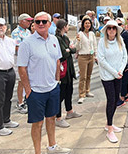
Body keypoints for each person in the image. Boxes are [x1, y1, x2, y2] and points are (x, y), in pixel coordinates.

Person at [17, 11, 70, 154]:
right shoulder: (27, 43)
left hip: (52, 88)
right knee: (37, 124)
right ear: (33, 24)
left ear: (49, 24)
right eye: (37, 21)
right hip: (36, 91)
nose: (40, 24)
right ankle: (37, 152)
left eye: (44, 21)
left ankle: (52, 146)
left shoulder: (53, 40)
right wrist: (28, 89)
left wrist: (57, 80)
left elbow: (58, 59)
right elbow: (22, 68)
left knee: (51, 118)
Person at [97, 20, 127, 143]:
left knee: (116, 100)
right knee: (111, 100)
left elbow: (125, 56)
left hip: (118, 75)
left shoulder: (120, 41)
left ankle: (109, 122)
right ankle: (110, 129)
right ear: (106, 30)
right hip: (107, 76)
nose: (111, 30)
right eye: (109, 28)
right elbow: (101, 60)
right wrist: (114, 72)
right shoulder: (102, 42)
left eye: (113, 28)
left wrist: (120, 70)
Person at [0, 18, 19, 136]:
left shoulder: (10, 41)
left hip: (10, 72)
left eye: (1, 26)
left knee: (8, 97)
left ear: (6, 27)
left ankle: (6, 120)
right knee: (0, 100)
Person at [55, 19, 81, 128]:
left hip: (69, 68)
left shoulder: (65, 37)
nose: (68, 27)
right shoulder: (57, 38)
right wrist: (68, 50)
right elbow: (62, 53)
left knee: (69, 91)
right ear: (63, 27)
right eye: (67, 25)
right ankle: (58, 117)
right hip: (62, 69)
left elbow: (73, 50)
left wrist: (69, 50)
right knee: (61, 94)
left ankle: (69, 111)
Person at [11, 13, 33, 114]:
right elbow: (17, 47)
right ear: (21, 21)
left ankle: (26, 98)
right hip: (20, 60)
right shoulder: (16, 32)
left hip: (29, 59)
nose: (30, 22)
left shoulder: (27, 31)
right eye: (27, 21)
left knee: (28, 80)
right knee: (21, 80)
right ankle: (20, 103)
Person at [75, 17, 97, 104]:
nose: (87, 25)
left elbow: (94, 45)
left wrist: (96, 55)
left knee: (89, 75)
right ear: (83, 25)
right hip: (82, 57)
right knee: (82, 77)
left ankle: (87, 90)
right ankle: (81, 94)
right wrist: (78, 41)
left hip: (90, 56)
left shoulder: (92, 34)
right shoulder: (80, 34)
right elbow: (77, 47)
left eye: (89, 23)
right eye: (86, 23)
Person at [116, 17, 128, 107]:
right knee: (124, 79)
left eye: (119, 25)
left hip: (126, 62)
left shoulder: (125, 35)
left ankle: (122, 97)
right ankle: (126, 94)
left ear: (123, 25)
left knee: (124, 80)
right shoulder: (118, 35)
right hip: (122, 61)